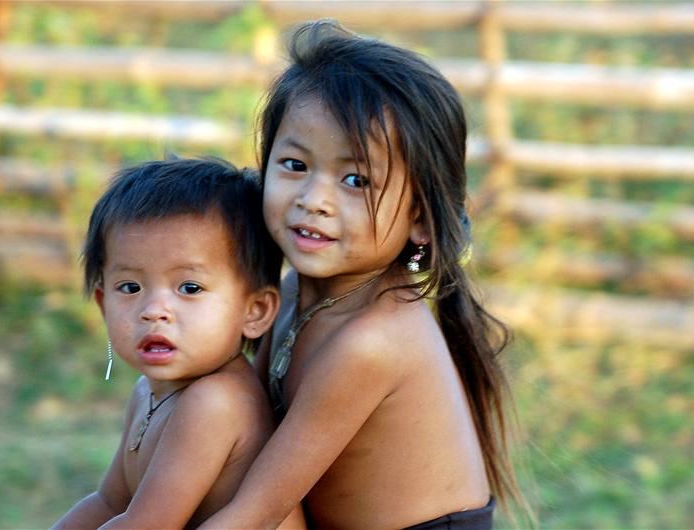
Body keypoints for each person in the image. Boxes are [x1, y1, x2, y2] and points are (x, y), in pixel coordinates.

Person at [200, 21, 523, 529]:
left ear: (419, 217)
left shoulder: (373, 342)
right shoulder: (288, 297)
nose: (314, 200)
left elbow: (254, 516)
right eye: (294, 164)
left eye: (356, 180)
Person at [52, 158, 306, 530]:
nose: (155, 311)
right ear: (104, 304)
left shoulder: (216, 401)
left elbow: (147, 525)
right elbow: (110, 502)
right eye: (131, 287)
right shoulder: (147, 392)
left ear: (254, 311)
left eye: (189, 288)